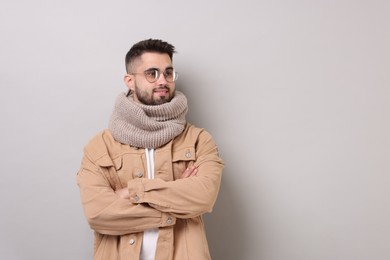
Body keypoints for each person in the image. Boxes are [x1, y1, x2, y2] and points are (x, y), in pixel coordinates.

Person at [77, 39, 224, 260]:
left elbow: (203, 197)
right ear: (129, 80)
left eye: (168, 73)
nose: (162, 81)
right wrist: (176, 199)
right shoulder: (99, 147)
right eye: (151, 73)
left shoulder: (198, 140)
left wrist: (133, 192)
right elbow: (98, 214)